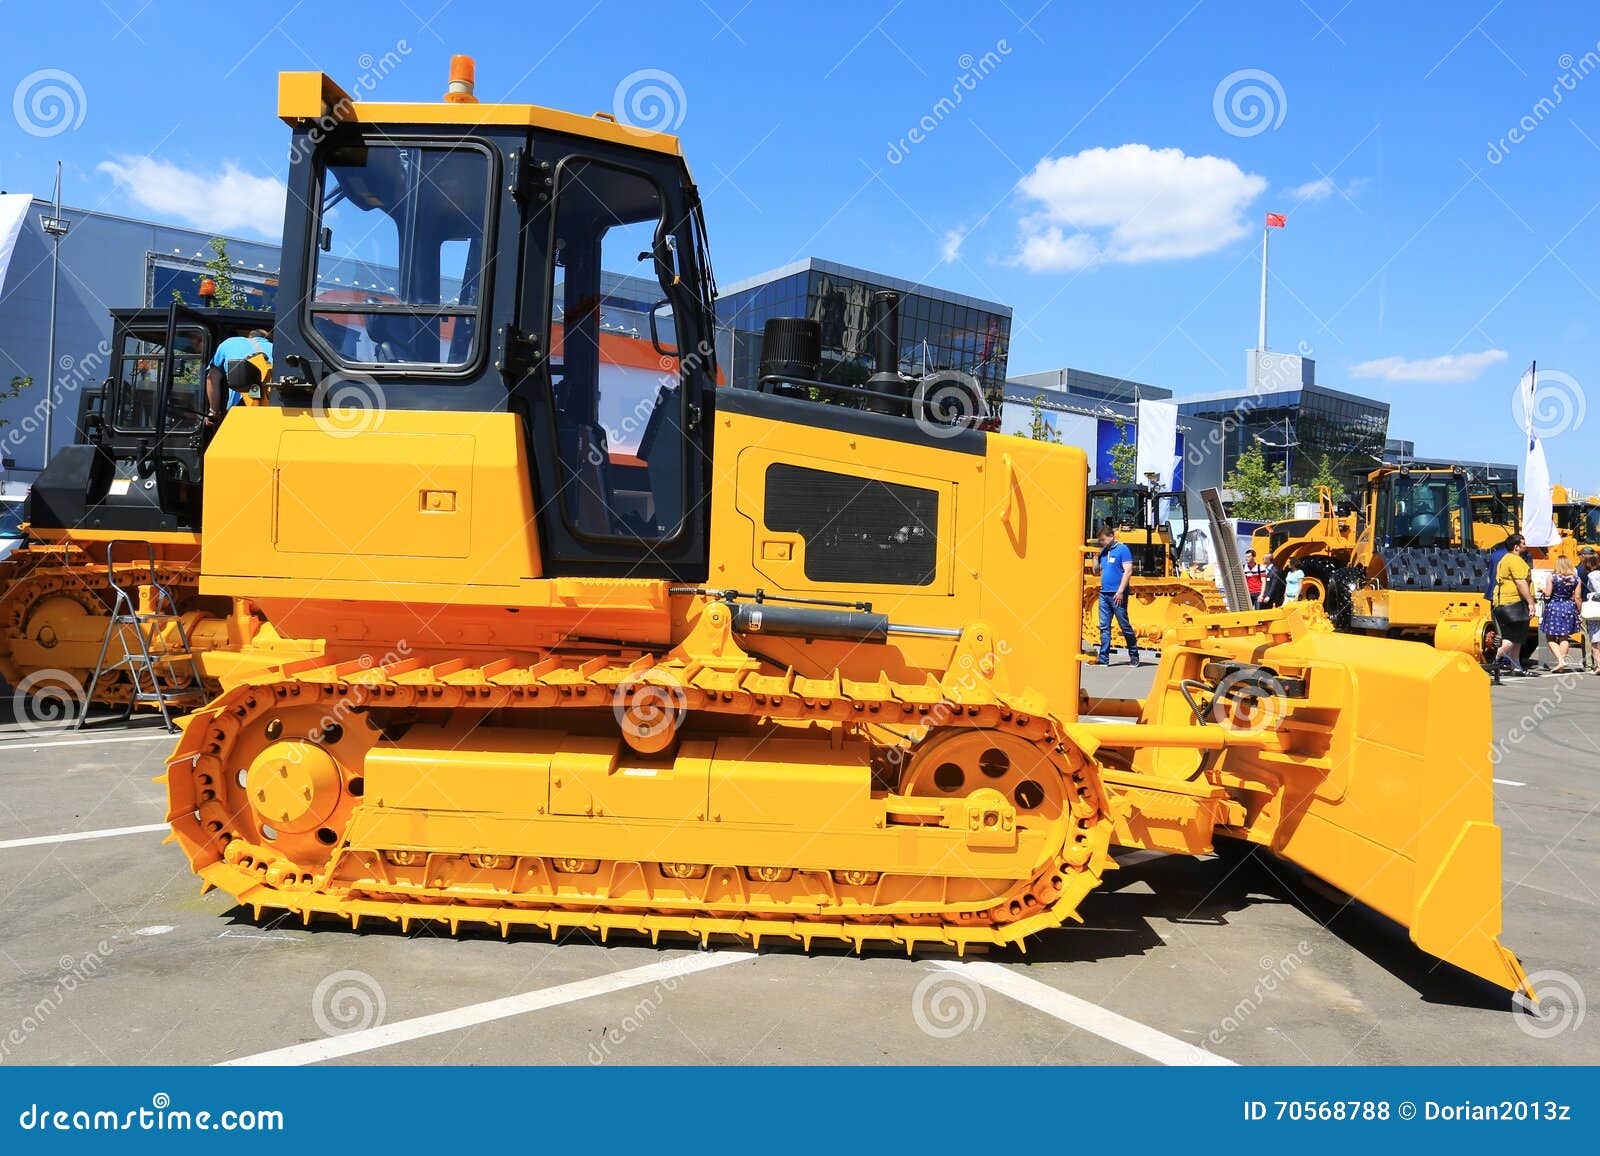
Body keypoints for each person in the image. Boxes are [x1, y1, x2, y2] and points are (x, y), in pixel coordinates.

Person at [204, 328, 273, 429]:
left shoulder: (230, 343)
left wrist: (214, 412)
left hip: (241, 408)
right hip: (270, 411)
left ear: (250, 337)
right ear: (267, 339)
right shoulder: (276, 348)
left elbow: (212, 378)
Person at [1491, 534, 1538, 676]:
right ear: (1516, 547)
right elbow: (1520, 582)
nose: (1526, 545)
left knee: (1518, 637)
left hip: (1504, 602)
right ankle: (1495, 661)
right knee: (1512, 637)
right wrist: (1531, 602)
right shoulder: (1515, 560)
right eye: (1523, 543)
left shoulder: (1505, 559)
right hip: (1512, 602)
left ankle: (1516, 666)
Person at [1094, 525, 1141, 667]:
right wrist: (1095, 559)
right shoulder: (1103, 552)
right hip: (1104, 593)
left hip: (1117, 594)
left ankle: (1134, 655)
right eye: (1100, 540)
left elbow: (1128, 571)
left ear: (1111, 537)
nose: (1101, 542)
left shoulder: (1123, 550)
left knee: (1124, 625)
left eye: (1103, 540)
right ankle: (1103, 658)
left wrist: (1120, 591)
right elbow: (1096, 572)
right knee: (1104, 627)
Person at [1540, 556, 1582, 673]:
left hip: (1554, 607)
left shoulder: (1552, 577)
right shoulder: (1576, 579)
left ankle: (1560, 660)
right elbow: (1577, 597)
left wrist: (1542, 590)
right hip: (1568, 606)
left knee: (1550, 636)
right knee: (1564, 637)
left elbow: (1548, 593)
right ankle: (1561, 664)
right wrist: (1579, 612)